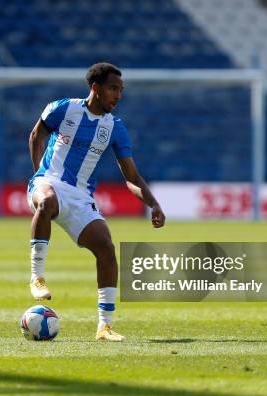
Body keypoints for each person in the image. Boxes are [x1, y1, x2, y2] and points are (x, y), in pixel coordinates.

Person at [27, 62, 165, 342]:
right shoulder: (63, 109)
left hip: (80, 195)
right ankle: (37, 277)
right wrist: (39, 175)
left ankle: (104, 326)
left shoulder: (115, 127)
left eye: (121, 90)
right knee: (47, 201)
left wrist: (153, 203)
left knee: (105, 246)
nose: (118, 95)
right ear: (95, 88)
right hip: (48, 181)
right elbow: (36, 135)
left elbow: (131, 176)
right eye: (113, 88)